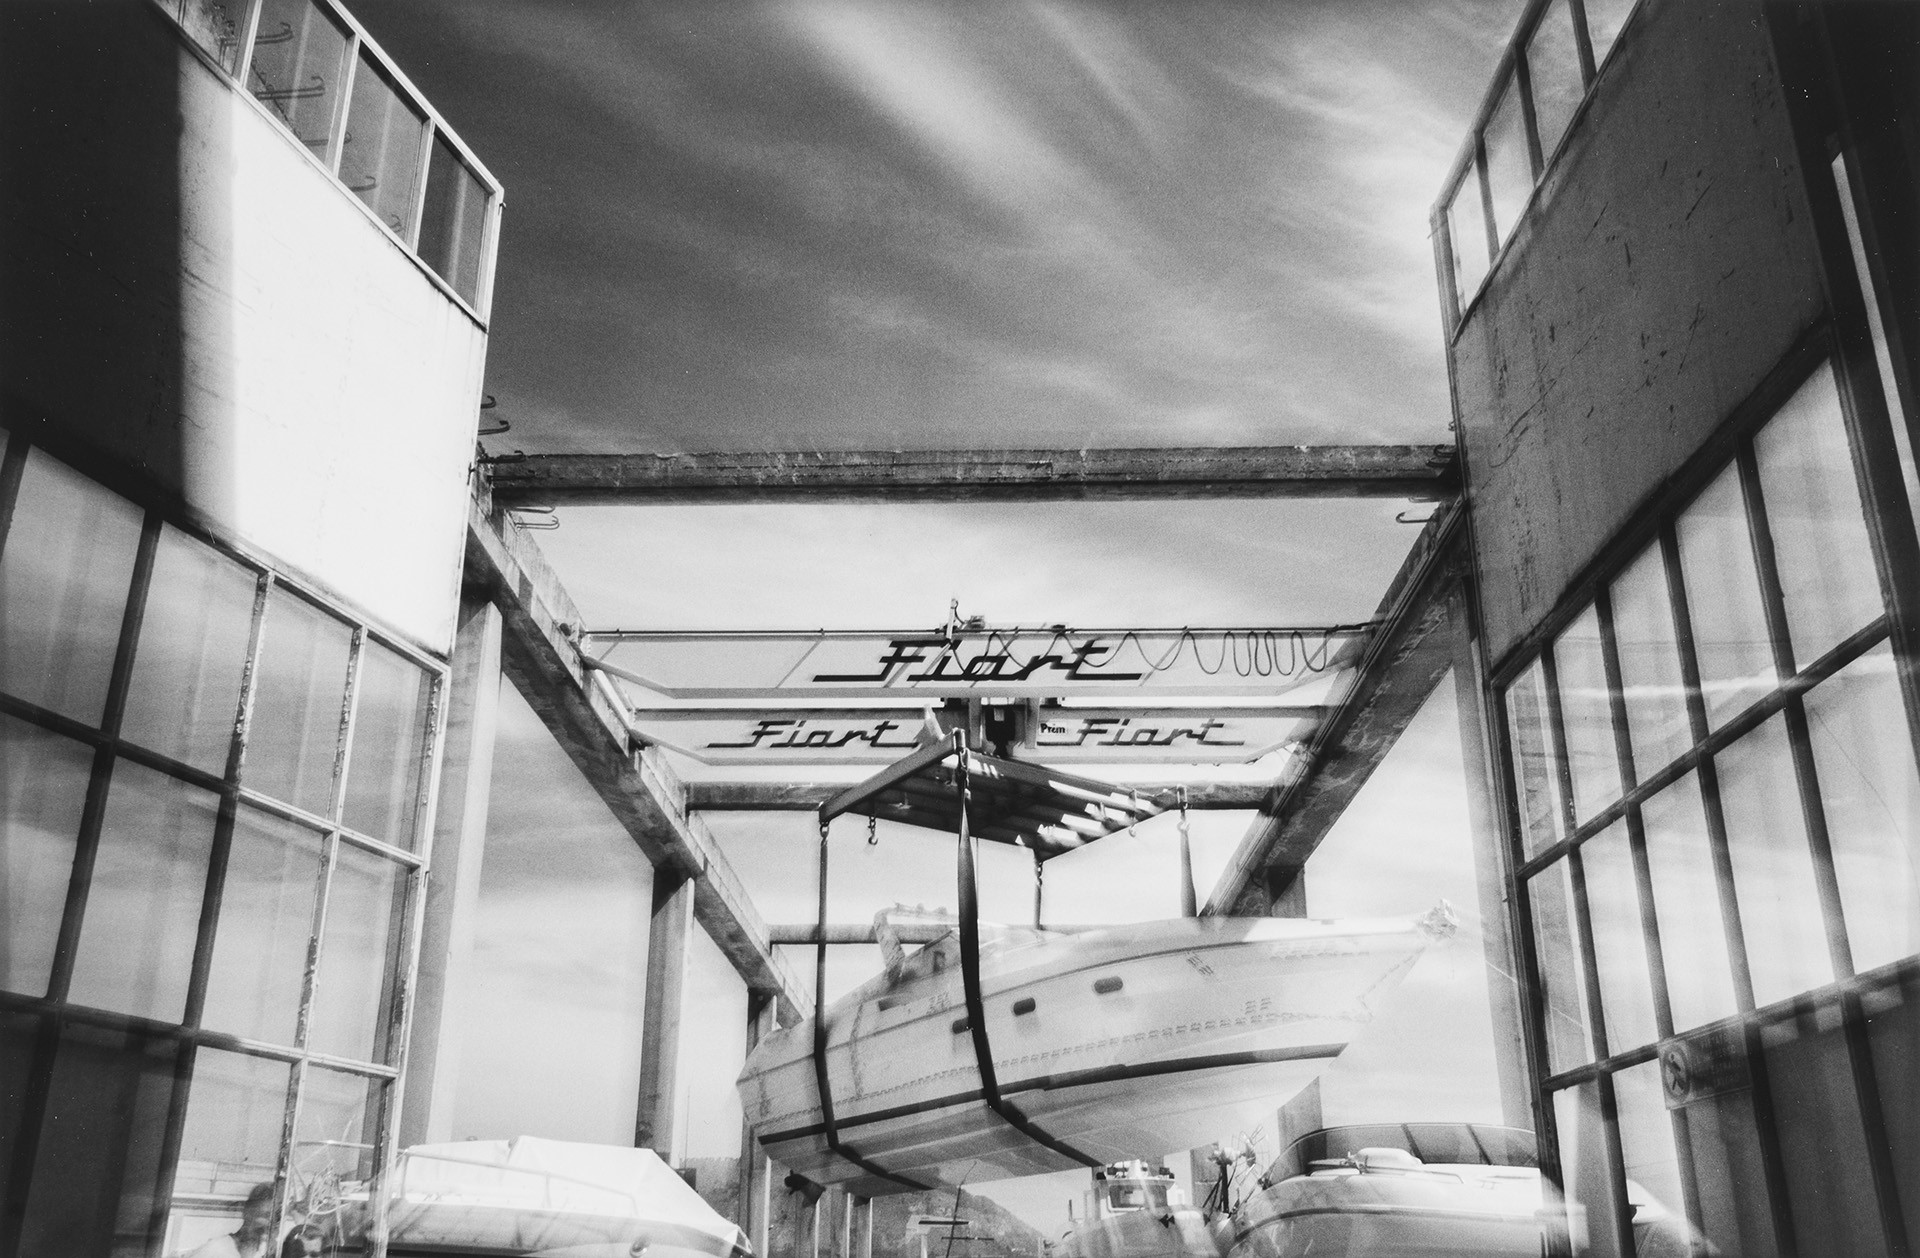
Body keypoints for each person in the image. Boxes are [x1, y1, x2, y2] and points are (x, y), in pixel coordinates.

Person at [186, 1183, 275, 1258]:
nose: (269, 1224)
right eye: (265, 1215)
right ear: (247, 1211)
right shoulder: (216, 1249)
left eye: (276, 1219)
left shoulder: (264, 1253)